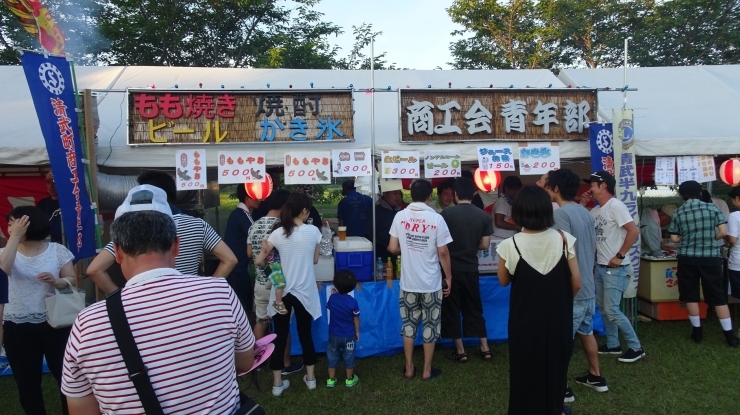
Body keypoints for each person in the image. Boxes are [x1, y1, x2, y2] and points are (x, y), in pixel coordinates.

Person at [61, 191, 255, 414]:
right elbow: (244, 362)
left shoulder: (88, 324)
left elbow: (81, 409)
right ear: (175, 245)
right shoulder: (220, 293)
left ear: (116, 251)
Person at [496, 186, 581, 415]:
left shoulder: (509, 245)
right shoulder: (564, 240)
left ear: (519, 212)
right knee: (556, 367)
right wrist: (560, 301)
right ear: (547, 210)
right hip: (559, 318)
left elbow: (503, 280)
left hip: (524, 321)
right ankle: (554, 409)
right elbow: (576, 283)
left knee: (524, 368)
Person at [87, 171, 237, 294]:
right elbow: (230, 259)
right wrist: (207, 292)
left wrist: (119, 299)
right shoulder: (198, 224)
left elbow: (94, 269)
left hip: (142, 305)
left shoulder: (133, 227)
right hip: (190, 299)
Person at [1, 206, 77, 415]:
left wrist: (56, 281)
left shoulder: (57, 250)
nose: (10, 227)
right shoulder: (4, 253)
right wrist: (14, 239)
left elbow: (72, 279)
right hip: (17, 325)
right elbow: (2, 272)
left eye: (14, 223)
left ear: (28, 224)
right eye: (9, 224)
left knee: (66, 377)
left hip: (55, 322)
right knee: (27, 383)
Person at [545, 169, 607, 400]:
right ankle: (596, 376)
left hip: (573, 288)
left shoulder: (561, 215)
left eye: (549, 185)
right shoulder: (584, 211)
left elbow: (562, 252)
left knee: (561, 339)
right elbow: (589, 248)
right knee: (586, 331)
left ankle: (562, 387)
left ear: (556, 188)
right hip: (587, 285)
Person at [254, 192, 322, 396]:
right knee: (305, 333)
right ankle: (310, 379)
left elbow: (258, 261)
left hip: (281, 292)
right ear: (304, 211)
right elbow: (316, 260)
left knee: (280, 336)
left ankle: (277, 384)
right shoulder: (313, 231)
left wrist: (274, 273)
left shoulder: (277, 233)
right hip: (305, 291)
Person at [389, 179, 453, 381]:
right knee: (430, 326)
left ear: (410, 195)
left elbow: (392, 248)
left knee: (408, 325)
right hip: (431, 283)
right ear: (429, 196)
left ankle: (409, 368)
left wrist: (405, 249)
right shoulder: (436, 219)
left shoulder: (400, 216)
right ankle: (426, 370)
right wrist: (448, 277)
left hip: (408, 283)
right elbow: (443, 252)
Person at [581, 171, 644, 362]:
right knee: (604, 307)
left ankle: (636, 347)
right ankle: (613, 343)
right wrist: (583, 203)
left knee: (611, 309)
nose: (589, 188)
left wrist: (619, 255)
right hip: (601, 267)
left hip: (615, 268)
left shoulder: (616, 206)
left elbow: (633, 231)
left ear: (603, 186)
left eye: (592, 185)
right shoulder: (596, 210)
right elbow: (579, 220)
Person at [669, 180, 738, 347]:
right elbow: (723, 232)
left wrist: (688, 239)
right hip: (710, 258)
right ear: (700, 193)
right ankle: (730, 336)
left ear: (682, 196)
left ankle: (697, 333)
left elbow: (674, 238)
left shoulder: (678, 212)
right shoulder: (712, 208)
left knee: (690, 295)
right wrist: (709, 239)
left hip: (687, 258)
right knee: (718, 297)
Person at [246, 189, 304, 376]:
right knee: (283, 325)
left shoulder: (254, 224)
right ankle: (285, 363)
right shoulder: (283, 227)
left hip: (261, 282)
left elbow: (249, 253)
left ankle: (256, 362)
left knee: (261, 321)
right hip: (282, 284)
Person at [440, 177, 493, 362]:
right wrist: (473, 246)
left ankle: (460, 351)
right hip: (471, 269)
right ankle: (485, 348)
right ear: (472, 194)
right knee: (474, 308)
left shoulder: (446, 214)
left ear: (455, 194)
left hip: (451, 271)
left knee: (452, 309)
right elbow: (485, 245)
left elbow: (441, 246)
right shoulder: (483, 215)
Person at [223, 183, 261, 313]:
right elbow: (257, 237)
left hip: (239, 268)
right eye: (256, 197)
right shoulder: (241, 215)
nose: (260, 199)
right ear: (247, 198)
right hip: (236, 270)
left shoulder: (241, 214)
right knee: (242, 307)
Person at [326, 270, 361, 388]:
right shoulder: (353, 302)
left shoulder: (332, 298)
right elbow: (356, 318)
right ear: (352, 287)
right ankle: (349, 379)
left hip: (333, 334)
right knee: (349, 355)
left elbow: (329, 307)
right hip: (349, 334)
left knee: (332, 355)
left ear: (336, 285)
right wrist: (357, 331)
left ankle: (331, 379)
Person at [375, 188, 403, 267]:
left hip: (398, 256)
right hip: (382, 256)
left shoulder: (400, 212)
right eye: (395, 193)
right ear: (386, 194)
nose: (398, 197)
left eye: (399, 194)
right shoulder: (376, 212)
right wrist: (387, 245)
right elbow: (370, 234)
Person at [36, 171, 63, 243]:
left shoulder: (70, 203)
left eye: (54, 183)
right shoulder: (42, 204)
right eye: (48, 182)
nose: (51, 186)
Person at [725, 186, 740, 300]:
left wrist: (726, 237)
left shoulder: (734, 216)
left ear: (737, 198)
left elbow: (732, 239)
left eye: (732, 199)